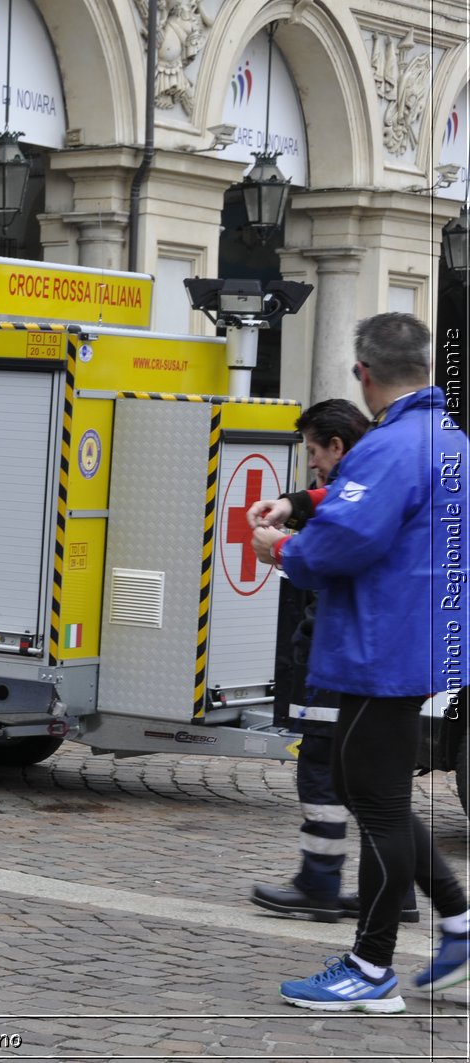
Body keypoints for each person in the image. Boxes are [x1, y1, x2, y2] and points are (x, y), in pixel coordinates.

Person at [254, 313, 470, 1012]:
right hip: (414, 640)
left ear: (364, 374)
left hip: (379, 647)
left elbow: (343, 541)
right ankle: (461, 925)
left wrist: (279, 550)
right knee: (372, 792)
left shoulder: (387, 447)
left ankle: (371, 967)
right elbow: (373, 504)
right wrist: (301, 498)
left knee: (374, 805)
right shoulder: (447, 439)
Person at [249, 399, 418, 924]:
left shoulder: (372, 473)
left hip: (345, 647)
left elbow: (334, 551)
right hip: (382, 651)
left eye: (314, 453)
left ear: (338, 447)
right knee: (374, 781)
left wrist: (281, 547)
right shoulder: (394, 467)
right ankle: (397, 894)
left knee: (329, 771)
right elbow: (339, 501)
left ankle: (321, 882)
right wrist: (295, 503)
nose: (313, 464)